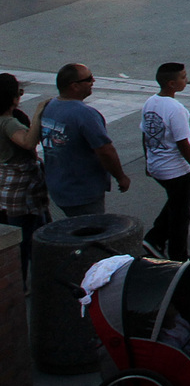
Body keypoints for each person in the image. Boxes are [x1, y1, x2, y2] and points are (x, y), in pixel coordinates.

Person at [38, 62, 129, 216]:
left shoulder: (50, 106)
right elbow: (106, 151)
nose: (93, 81)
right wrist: (121, 177)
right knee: (92, 233)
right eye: (89, 79)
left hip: (59, 187)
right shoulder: (85, 114)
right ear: (74, 86)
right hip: (82, 191)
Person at [138, 61, 190, 261]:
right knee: (181, 214)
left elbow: (145, 135)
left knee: (176, 201)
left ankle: (154, 238)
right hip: (174, 169)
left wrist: (148, 161)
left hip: (157, 165)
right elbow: (183, 143)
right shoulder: (176, 109)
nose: (187, 80)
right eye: (183, 77)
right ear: (171, 84)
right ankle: (178, 256)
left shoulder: (150, 102)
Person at [1, 73, 46, 276]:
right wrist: (38, 113)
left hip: (6, 184)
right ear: (13, 98)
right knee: (24, 235)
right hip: (19, 188)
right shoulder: (8, 123)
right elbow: (27, 142)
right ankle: (23, 281)